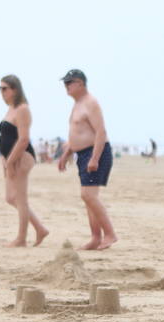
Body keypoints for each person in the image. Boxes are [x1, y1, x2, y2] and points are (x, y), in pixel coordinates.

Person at [57, 69, 116, 250]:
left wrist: (95, 158)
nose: (66, 86)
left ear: (81, 83)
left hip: (95, 152)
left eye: (69, 82)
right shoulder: (77, 104)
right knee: (89, 198)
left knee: (88, 195)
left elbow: (100, 132)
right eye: (65, 83)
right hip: (82, 154)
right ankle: (95, 237)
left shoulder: (90, 103)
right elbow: (78, 133)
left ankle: (110, 234)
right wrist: (67, 154)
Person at [0, 74, 48, 248]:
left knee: (20, 199)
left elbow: (23, 139)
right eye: (0, 89)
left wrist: (11, 161)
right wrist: (5, 160)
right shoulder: (11, 108)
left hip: (22, 157)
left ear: (15, 89)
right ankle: (40, 228)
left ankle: (21, 239)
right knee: (10, 197)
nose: (1, 92)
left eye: (5, 88)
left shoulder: (22, 109)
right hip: (10, 158)